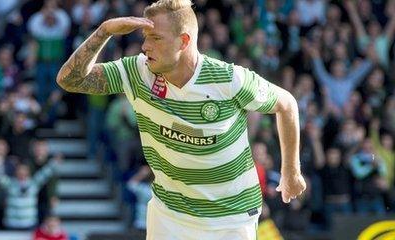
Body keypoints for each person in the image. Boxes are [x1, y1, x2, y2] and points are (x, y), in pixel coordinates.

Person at [56, 1, 306, 239]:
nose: (145, 46)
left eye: (155, 38)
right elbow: (70, 80)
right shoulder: (137, 72)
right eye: (145, 37)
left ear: (183, 41)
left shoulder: (229, 80)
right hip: (170, 213)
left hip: (230, 216)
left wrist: (291, 171)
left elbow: (286, 104)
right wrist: (104, 31)